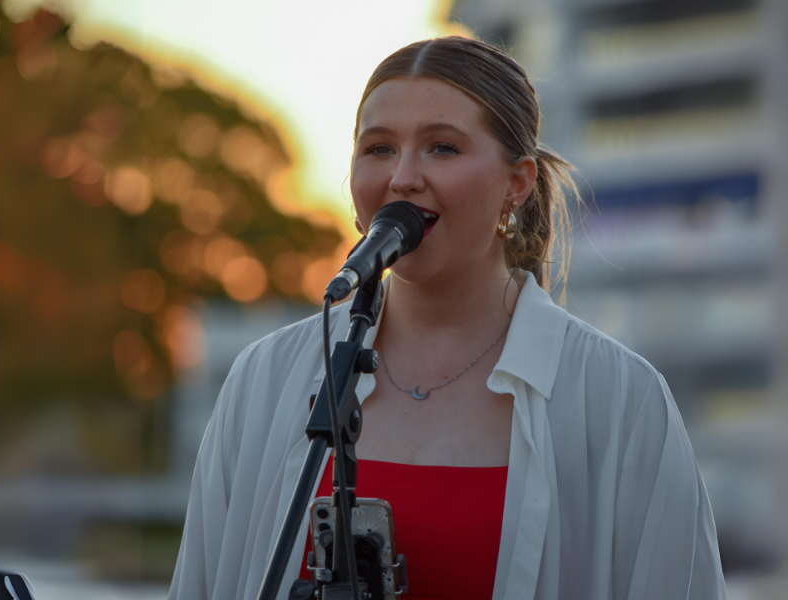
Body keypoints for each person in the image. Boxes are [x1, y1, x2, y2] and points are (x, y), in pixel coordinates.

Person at [169, 37, 727, 600]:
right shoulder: (263, 379)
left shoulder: (622, 400)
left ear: (517, 184)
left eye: (442, 148)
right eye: (379, 149)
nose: (403, 177)